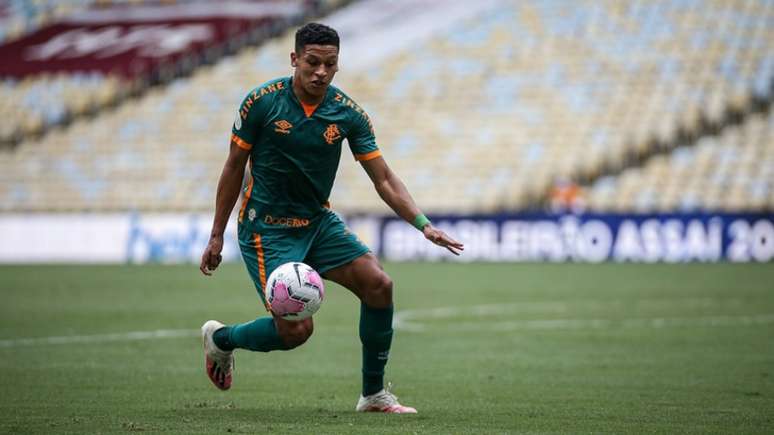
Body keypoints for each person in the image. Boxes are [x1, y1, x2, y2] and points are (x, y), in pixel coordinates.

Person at [199, 22, 464, 414]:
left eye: (330, 64)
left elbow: (384, 178)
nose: (321, 71)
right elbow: (233, 167)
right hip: (265, 230)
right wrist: (217, 234)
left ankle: (373, 395)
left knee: (380, 285)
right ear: (294, 59)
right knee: (296, 331)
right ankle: (222, 340)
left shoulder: (347, 113)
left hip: (317, 224)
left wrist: (423, 225)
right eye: (312, 62)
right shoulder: (261, 103)